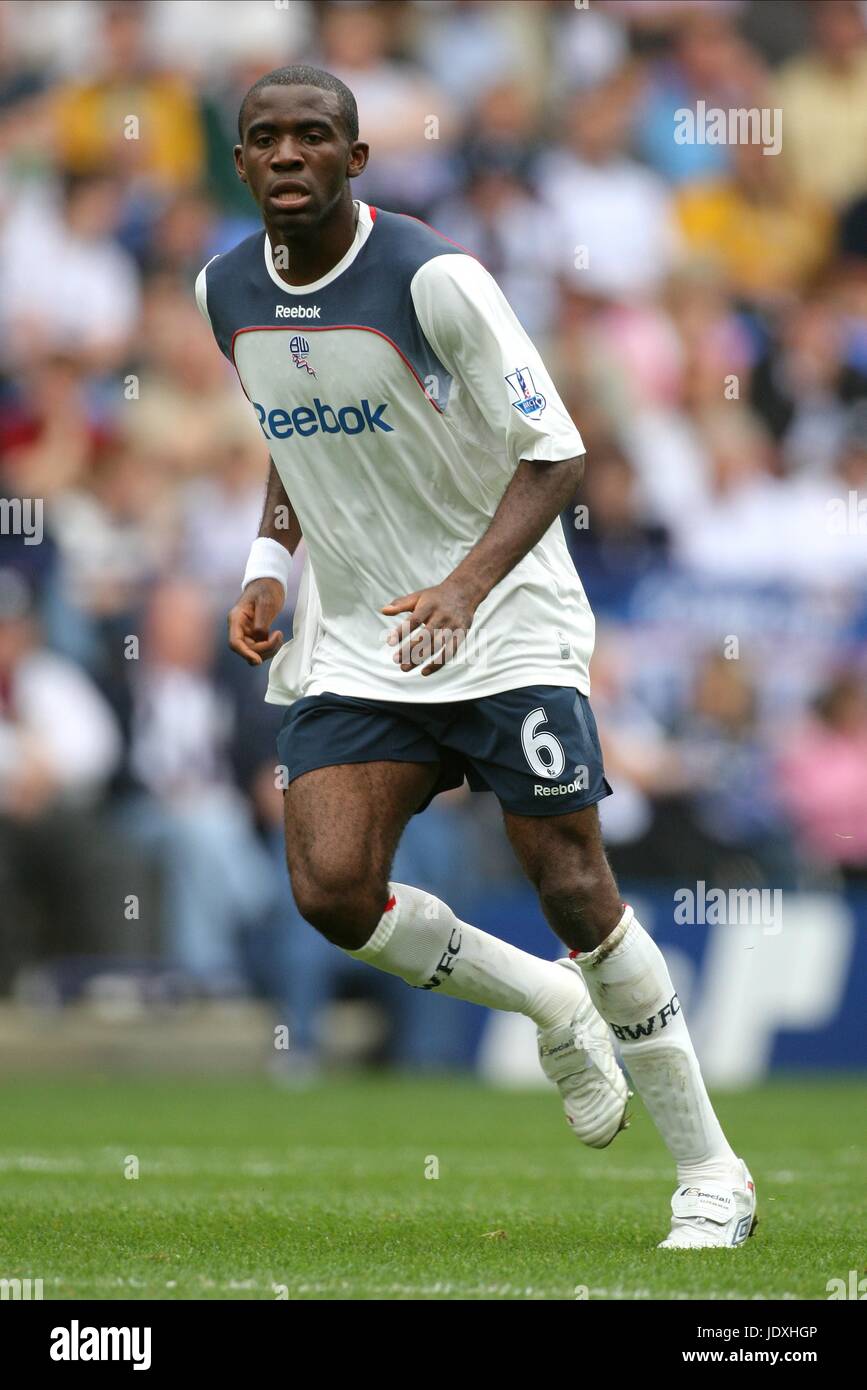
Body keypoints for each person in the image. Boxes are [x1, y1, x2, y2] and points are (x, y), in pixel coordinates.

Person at [195, 65, 755, 1250]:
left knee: (573, 886)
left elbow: (557, 454)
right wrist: (267, 559)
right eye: (265, 139)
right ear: (240, 164)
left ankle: (712, 1174)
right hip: (363, 634)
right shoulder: (224, 286)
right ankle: (548, 1002)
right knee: (332, 889)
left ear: (358, 160)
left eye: (314, 137)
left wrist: (461, 587)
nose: (288, 154)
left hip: (503, 621)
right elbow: (294, 430)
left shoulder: (435, 277)